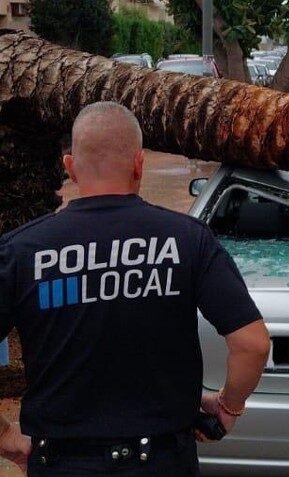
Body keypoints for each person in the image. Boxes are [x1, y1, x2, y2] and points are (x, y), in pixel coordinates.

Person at [0, 102, 270, 475]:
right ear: (140, 164)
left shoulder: (21, 251)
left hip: (62, 464)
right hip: (161, 462)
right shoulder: (188, 239)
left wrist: (5, 436)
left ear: (71, 168)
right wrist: (229, 407)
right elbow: (252, 344)